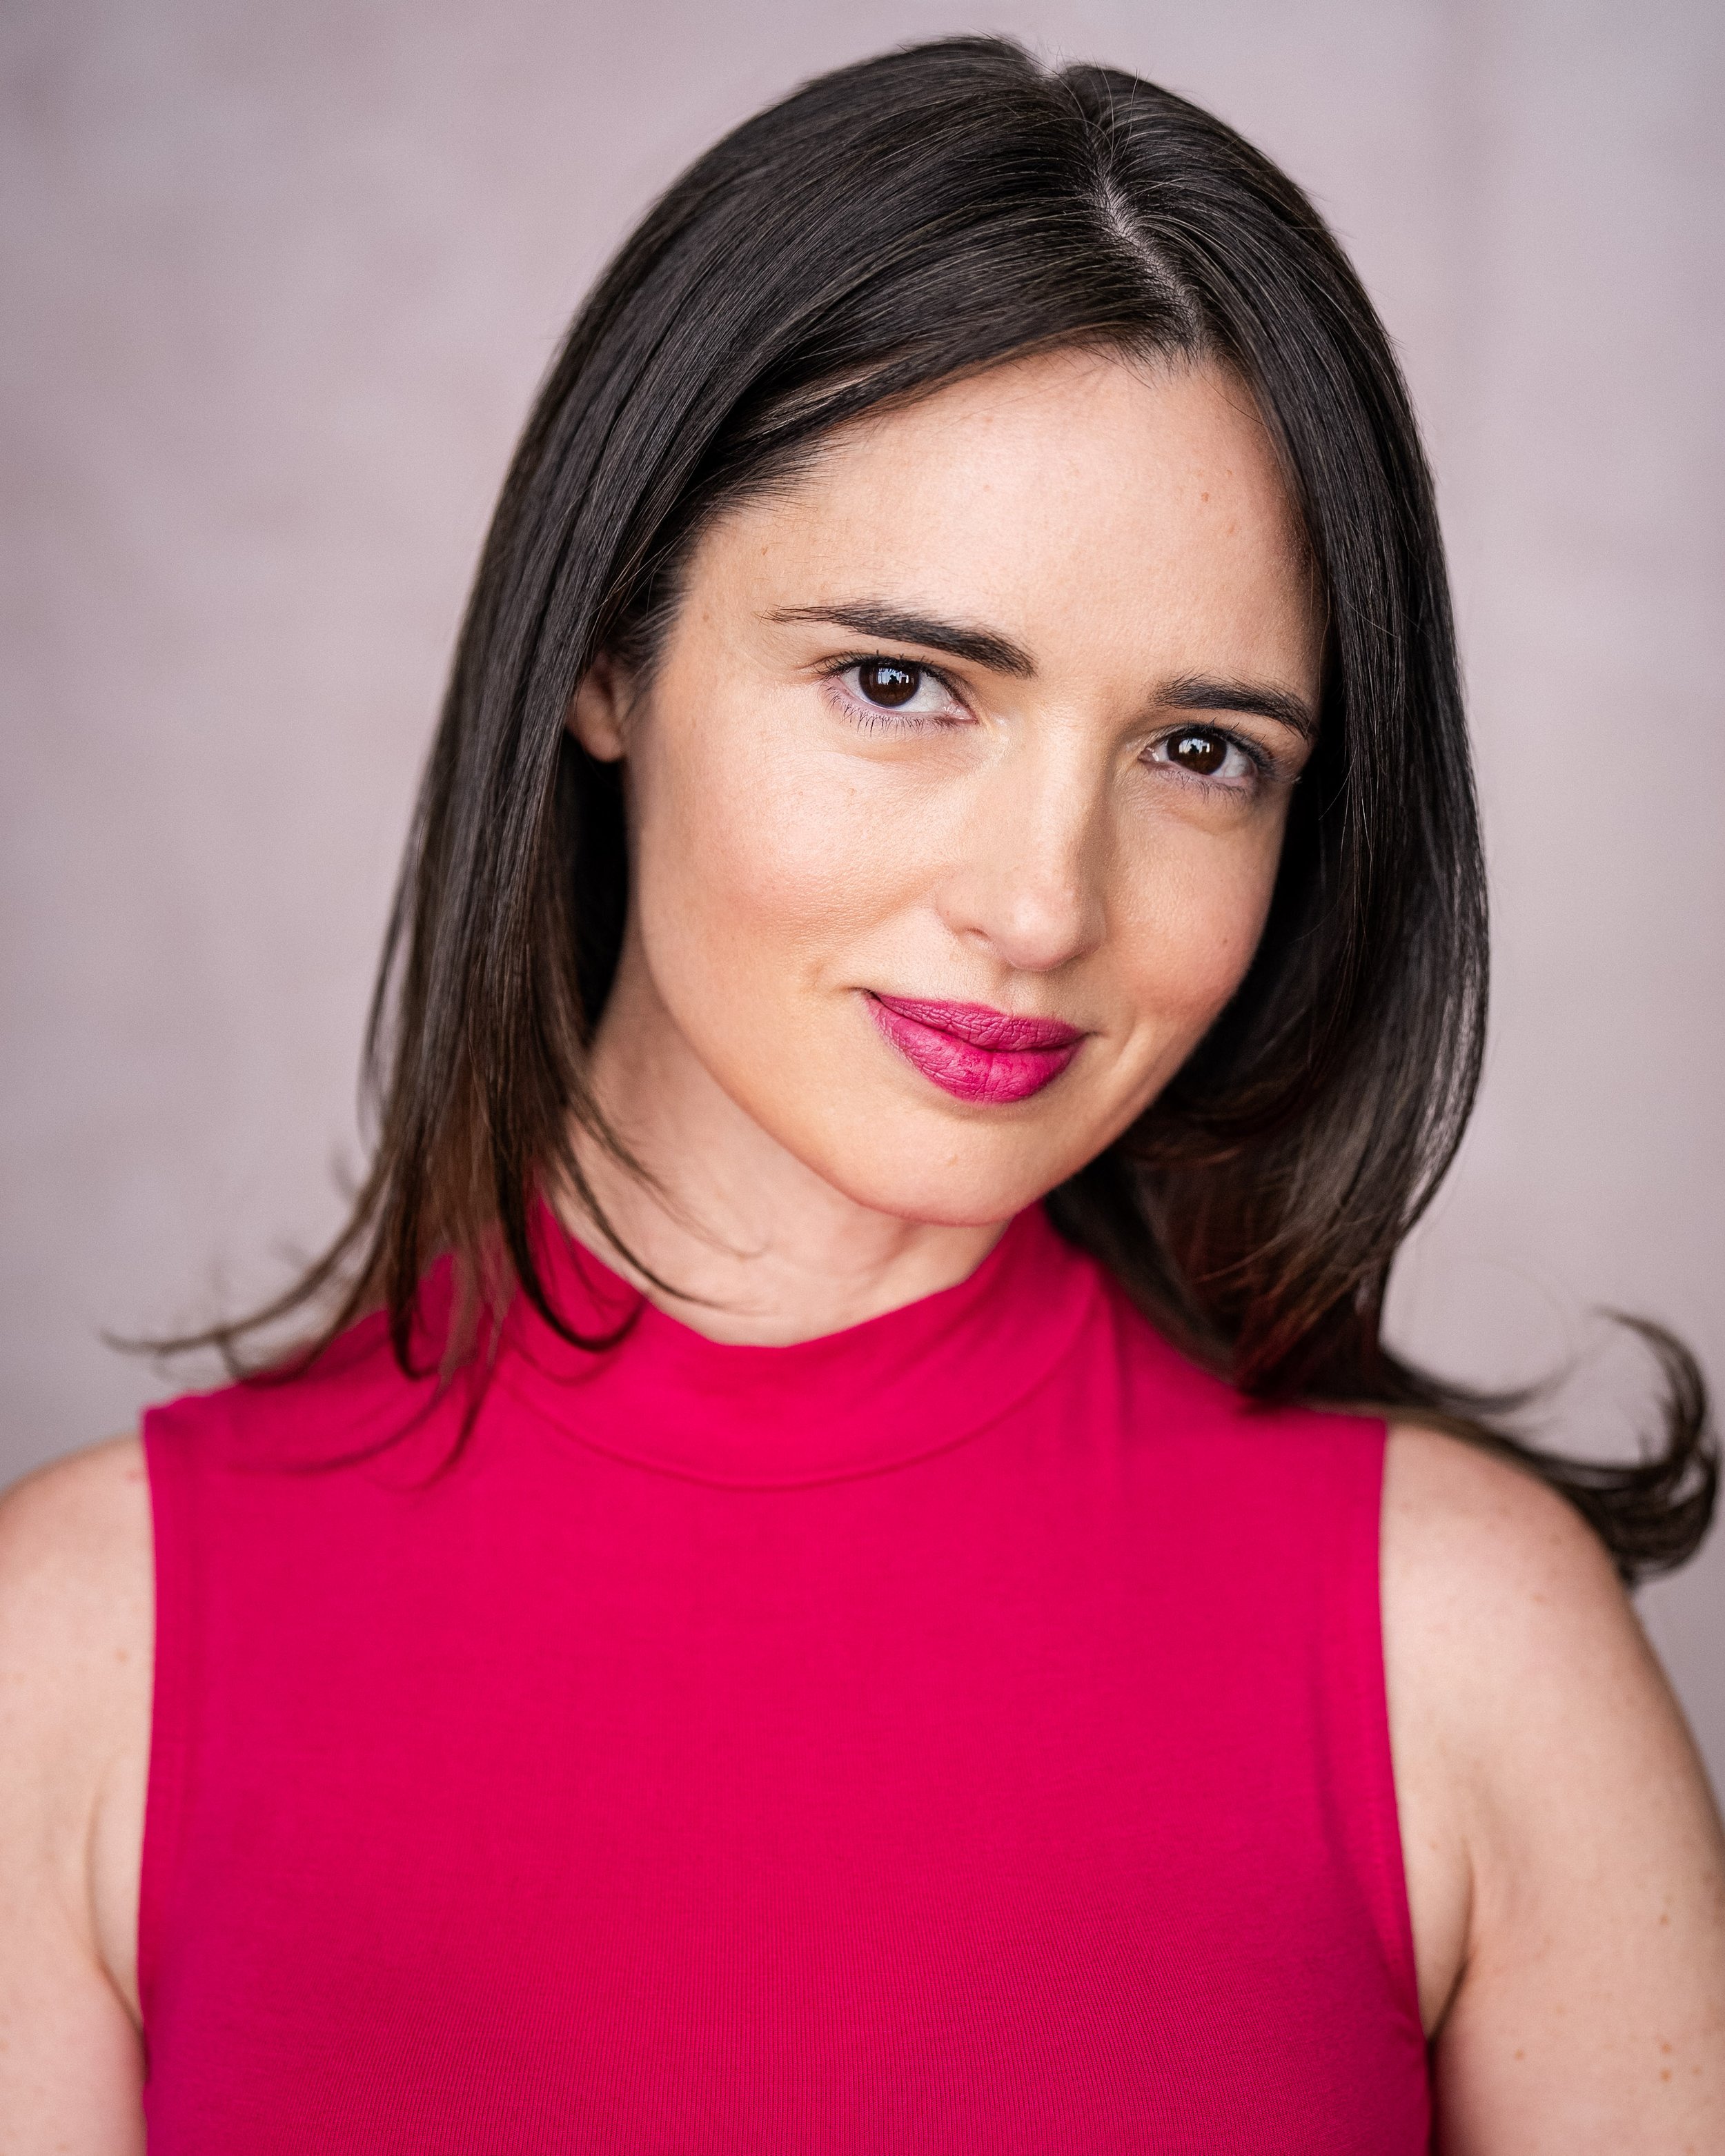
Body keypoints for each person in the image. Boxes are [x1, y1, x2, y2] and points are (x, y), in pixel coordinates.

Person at [2, 34, 1720, 2153]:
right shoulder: (77, 1659)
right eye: (903, 684)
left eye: (1201, 753)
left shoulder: (1471, 1650)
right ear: (607, 652)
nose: (1036, 903)